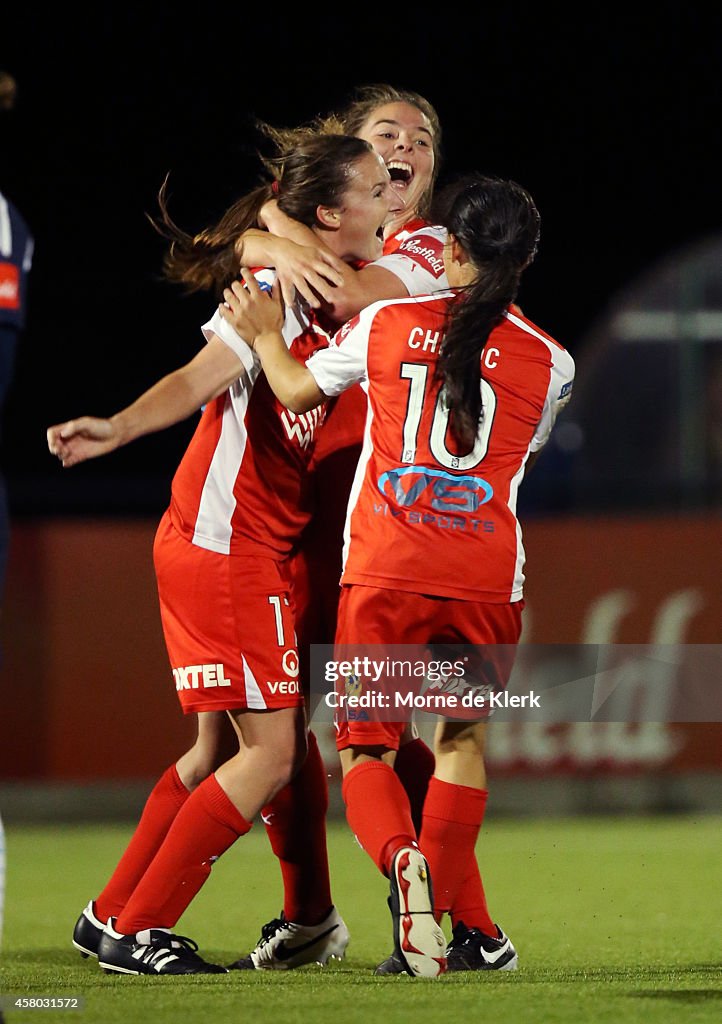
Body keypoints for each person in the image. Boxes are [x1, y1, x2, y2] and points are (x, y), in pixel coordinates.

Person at [47, 133, 399, 974]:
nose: (392, 201)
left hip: (232, 545)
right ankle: (139, 934)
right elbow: (205, 372)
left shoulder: (329, 279)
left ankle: (110, 916)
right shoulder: (280, 285)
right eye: (378, 188)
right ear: (329, 212)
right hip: (231, 546)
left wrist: (268, 227)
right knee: (273, 755)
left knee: (219, 751)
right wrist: (122, 426)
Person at [219, 172, 575, 975]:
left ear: (448, 250)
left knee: (367, 752)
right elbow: (522, 452)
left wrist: (269, 334)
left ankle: (399, 864)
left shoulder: (386, 324)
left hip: (386, 570)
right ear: (523, 264)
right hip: (486, 576)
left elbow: (297, 387)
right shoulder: (553, 363)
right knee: (461, 743)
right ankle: (439, 927)